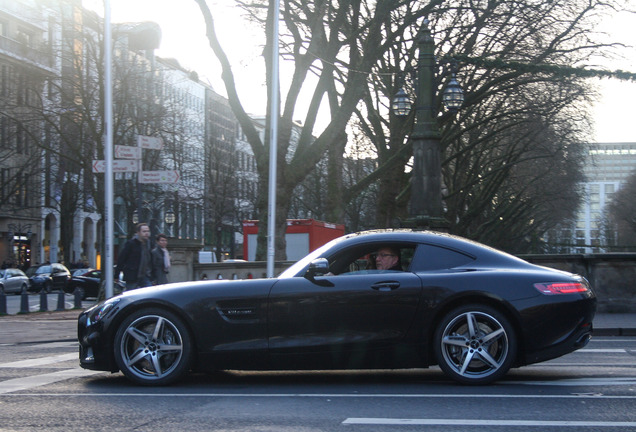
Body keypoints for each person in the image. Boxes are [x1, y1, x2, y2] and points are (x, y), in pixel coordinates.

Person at [115, 223, 153, 290]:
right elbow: (122, 258)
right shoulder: (131, 244)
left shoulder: (149, 244)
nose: (146, 233)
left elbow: (150, 260)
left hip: (145, 275)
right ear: (138, 232)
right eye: (144, 231)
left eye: (148, 231)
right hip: (132, 276)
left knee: (149, 294)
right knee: (131, 295)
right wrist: (116, 274)